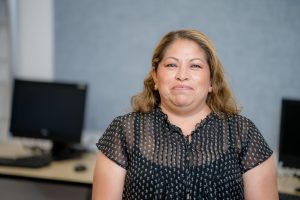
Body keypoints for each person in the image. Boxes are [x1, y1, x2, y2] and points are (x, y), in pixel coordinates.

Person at [92, 29, 278, 199]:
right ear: (155, 76)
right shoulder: (125, 131)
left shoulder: (243, 133)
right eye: (172, 65)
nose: (182, 75)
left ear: (212, 80)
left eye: (195, 66)